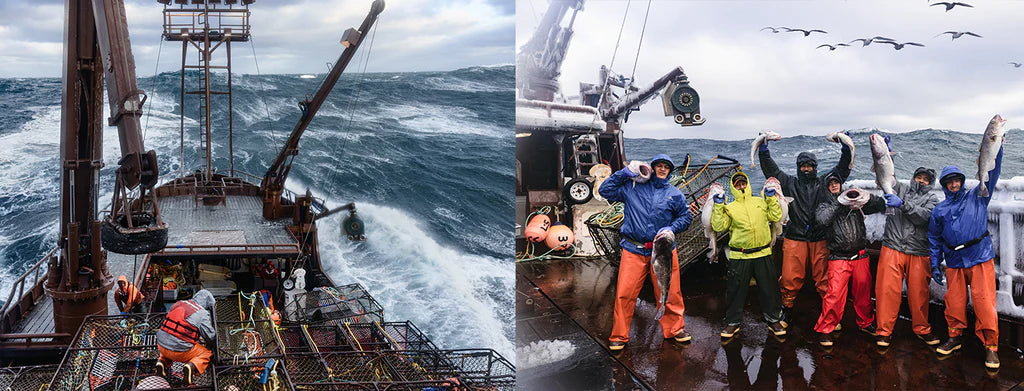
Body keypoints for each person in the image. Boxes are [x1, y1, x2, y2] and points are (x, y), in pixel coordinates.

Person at [599, 154, 693, 351]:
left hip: (663, 250)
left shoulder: (675, 194)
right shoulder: (631, 187)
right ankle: (619, 335)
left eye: (666, 167)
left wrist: (671, 229)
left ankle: (675, 330)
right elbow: (604, 190)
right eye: (658, 165)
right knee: (624, 294)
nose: (662, 169)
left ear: (670, 171)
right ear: (652, 168)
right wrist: (624, 173)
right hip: (633, 249)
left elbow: (686, 217)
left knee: (671, 292)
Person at [928, 145, 1003, 369]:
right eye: (949, 181)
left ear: (962, 180)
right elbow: (934, 238)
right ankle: (955, 337)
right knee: (955, 303)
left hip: (980, 256)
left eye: (957, 180)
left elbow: (993, 170)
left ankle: (991, 347)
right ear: (944, 185)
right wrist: (934, 263)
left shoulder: (979, 194)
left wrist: (996, 150)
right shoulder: (939, 210)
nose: (954, 184)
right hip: (953, 260)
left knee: (984, 304)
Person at [759, 136, 852, 310]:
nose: (806, 169)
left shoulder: (824, 182)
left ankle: (829, 310)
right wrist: (764, 152)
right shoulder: (789, 183)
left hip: (820, 237)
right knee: (789, 277)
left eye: (810, 166)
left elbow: (841, 171)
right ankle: (787, 306)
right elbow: (771, 171)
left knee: (824, 277)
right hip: (795, 236)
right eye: (803, 166)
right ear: (798, 168)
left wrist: (846, 149)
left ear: (815, 168)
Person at [711, 171, 787, 339]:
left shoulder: (760, 202)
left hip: (763, 253)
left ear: (748, 184)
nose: (741, 186)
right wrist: (718, 205)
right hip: (740, 255)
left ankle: (774, 319)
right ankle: (732, 323)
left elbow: (776, 216)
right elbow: (718, 226)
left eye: (743, 183)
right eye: (737, 184)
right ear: (733, 187)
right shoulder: (729, 207)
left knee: (770, 290)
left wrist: (771, 198)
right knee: (735, 291)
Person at [813, 174, 884, 347]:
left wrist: (865, 196)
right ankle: (826, 329)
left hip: (860, 256)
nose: (834, 185)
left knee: (864, 294)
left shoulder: (856, 203)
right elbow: (822, 220)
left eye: (836, 182)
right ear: (826, 188)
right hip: (839, 257)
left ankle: (866, 323)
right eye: (830, 184)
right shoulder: (825, 205)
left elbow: (880, 204)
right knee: (834, 296)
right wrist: (840, 201)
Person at [874, 167, 941, 347]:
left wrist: (902, 204)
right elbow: (885, 177)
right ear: (912, 178)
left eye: (925, 179)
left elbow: (924, 217)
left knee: (919, 294)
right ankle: (883, 331)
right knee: (886, 291)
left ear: (931, 183)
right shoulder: (900, 188)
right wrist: (886, 159)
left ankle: (922, 329)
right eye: (918, 176)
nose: (921, 180)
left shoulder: (933, 199)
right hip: (892, 246)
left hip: (918, 251)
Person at [156, 289, 217, 384]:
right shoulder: (202, 313)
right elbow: (210, 336)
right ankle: (191, 366)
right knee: (205, 354)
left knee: (169, 343)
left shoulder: (179, 303)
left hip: (161, 346)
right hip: (180, 351)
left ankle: (161, 362)